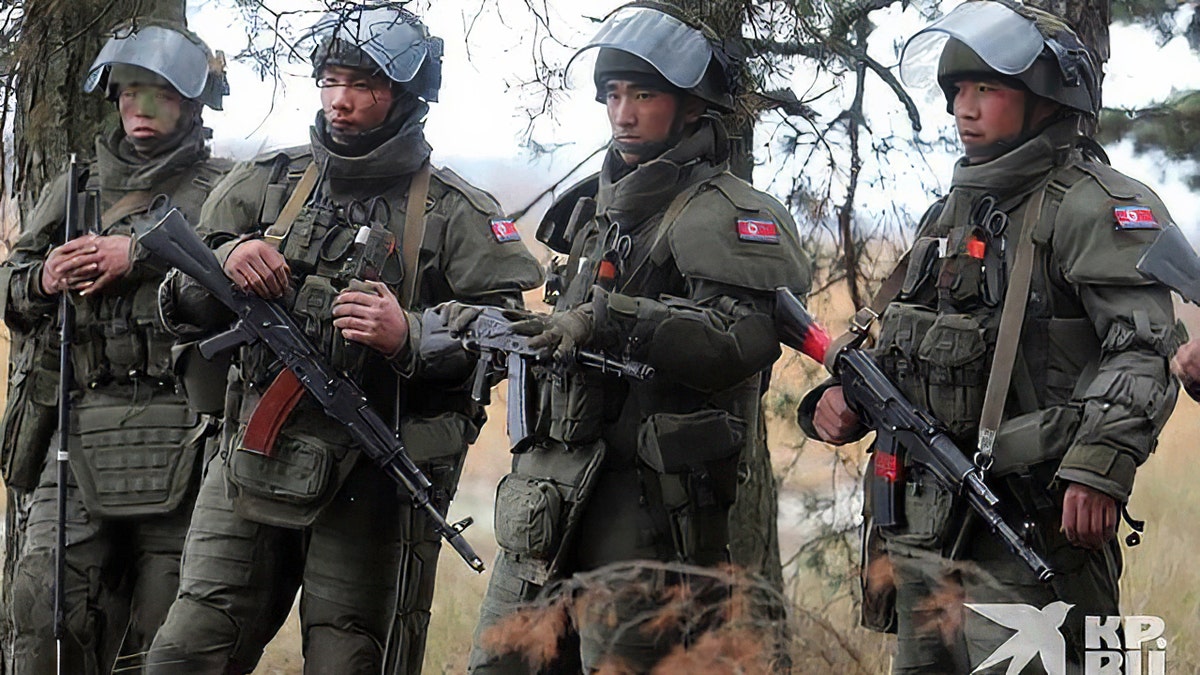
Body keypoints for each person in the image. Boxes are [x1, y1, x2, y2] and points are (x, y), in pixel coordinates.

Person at [144, 6, 543, 673]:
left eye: (365, 83)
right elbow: (182, 296)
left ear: (408, 94)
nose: (341, 100)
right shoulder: (266, 182)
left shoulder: (455, 213)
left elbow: (508, 331)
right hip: (249, 460)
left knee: (349, 654)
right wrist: (233, 257)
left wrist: (408, 333)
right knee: (184, 651)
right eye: (330, 79)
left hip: (372, 479)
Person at [798, 2, 1179, 672]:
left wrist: (1098, 465)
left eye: (987, 89)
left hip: (1032, 526)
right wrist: (844, 398)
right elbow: (906, 348)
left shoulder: (1094, 206)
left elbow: (1144, 347)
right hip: (926, 532)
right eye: (957, 92)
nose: (964, 109)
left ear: (1046, 99)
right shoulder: (949, 214)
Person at [464, 3, 811, 671]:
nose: (622, 112)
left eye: (643, 94)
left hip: (651, 517)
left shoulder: (727, 213)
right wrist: (498, 327)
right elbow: (562, 323)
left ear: (689, 107)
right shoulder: (593, 213)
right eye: (613, 94)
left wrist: (611, 317)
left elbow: (735, 345)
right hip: (549, 497)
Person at [0, 19, 231, 674]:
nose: (137, 106)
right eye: (126, 92)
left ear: (190, 101)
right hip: (82, 424)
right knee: (42, 604)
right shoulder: (75, 191)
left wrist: (139, 254)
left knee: (174, 626)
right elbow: (11, 287)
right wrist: (45, 277)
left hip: (191, 429)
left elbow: (243, 278)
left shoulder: (225, 191)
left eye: (154, 92)